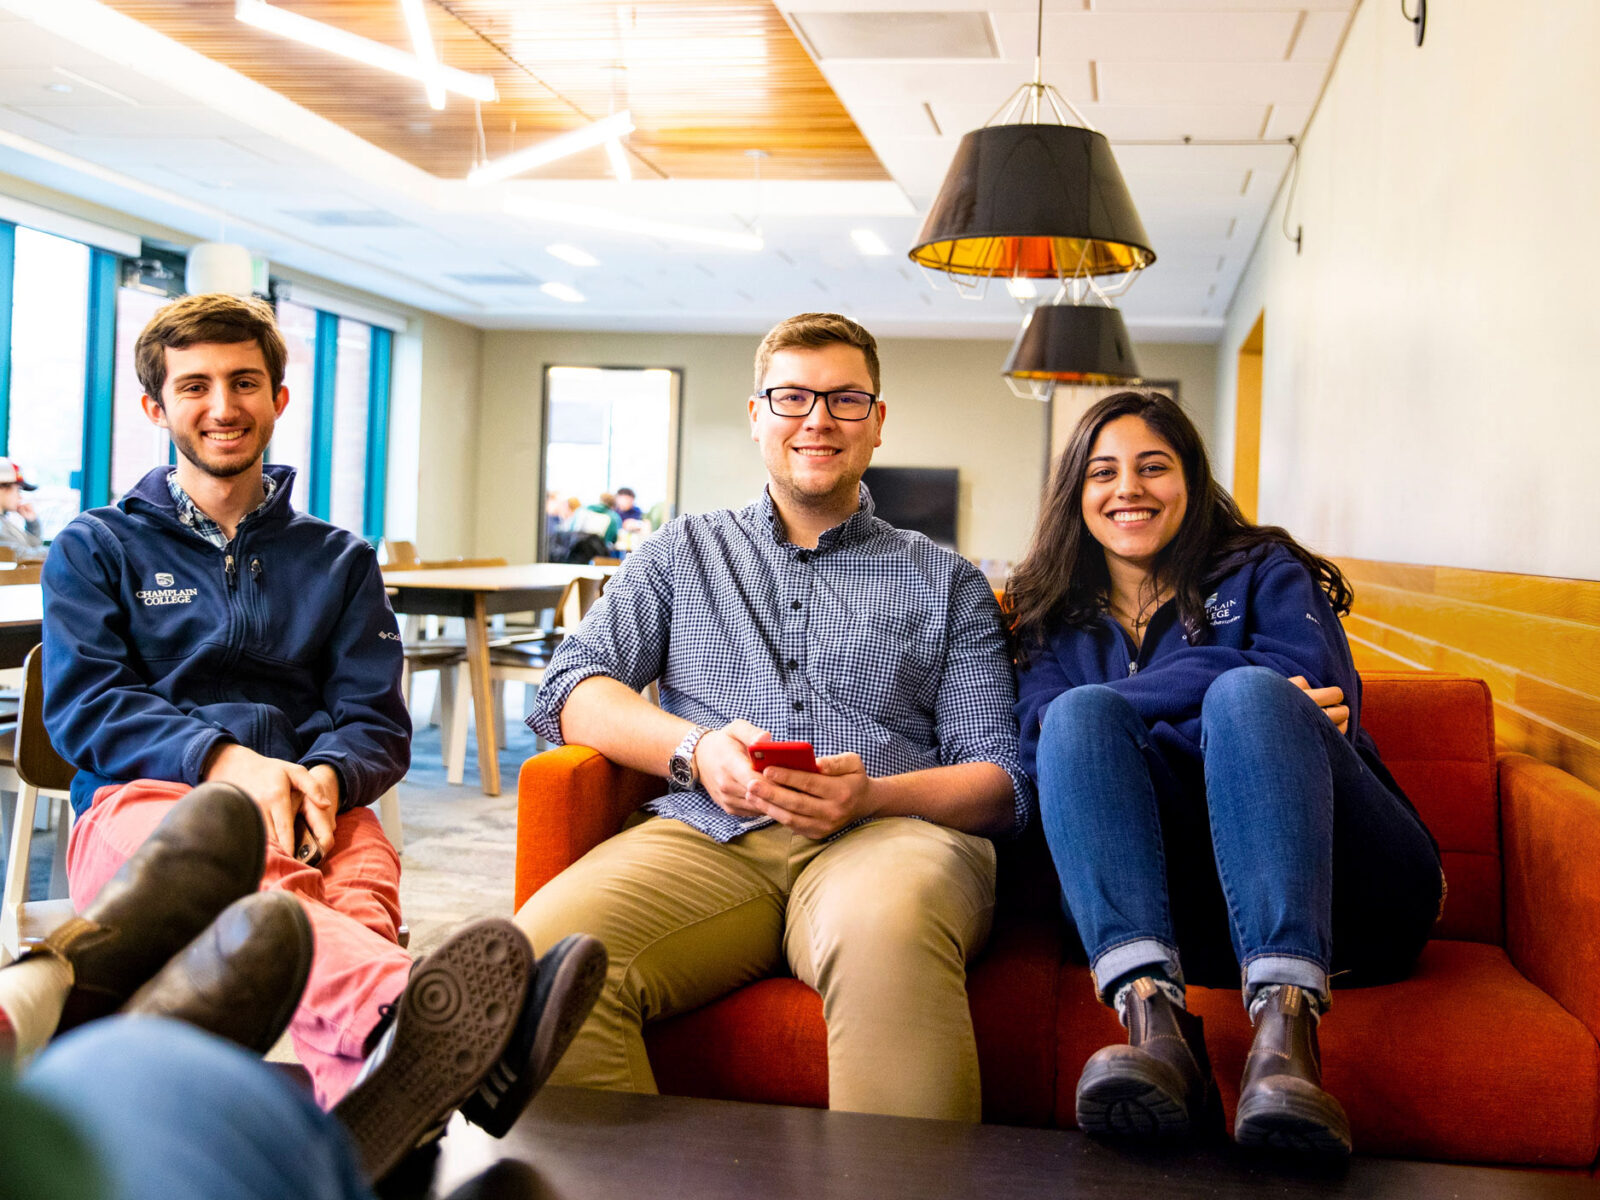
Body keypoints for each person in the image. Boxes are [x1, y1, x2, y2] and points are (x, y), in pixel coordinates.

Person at [38, 294, 607, 1155]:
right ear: (155, 407)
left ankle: (372, 1127)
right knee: (277, 901)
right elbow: (88, 706)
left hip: (319, 805)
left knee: (359, 892)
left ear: (278, 398)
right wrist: (229, 764)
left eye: (244, 382)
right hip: (149, 814)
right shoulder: (95, 547)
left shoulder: (340, 559)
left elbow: (375, 719)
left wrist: (329, 777)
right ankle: (411, 1007)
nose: (223, 406)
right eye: (194, 386)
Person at [515, 312, 1030, 1122]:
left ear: (877, 422)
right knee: (536, 966)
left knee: (887, 931)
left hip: (890, 837)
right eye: (791, 397)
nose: (817, 419)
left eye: (845, 399)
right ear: (757, 416)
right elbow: (569, 686)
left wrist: (870, 797)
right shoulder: (681, 553)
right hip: (709, 835)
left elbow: (1000, 780)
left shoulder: (948, 581)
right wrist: (694, 749)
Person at [1008, 391, 1443, 1156]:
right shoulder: (1048, 620)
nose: (1128, 488)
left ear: (1191, 477)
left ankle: (1289, 1040)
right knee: (1083, 720)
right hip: (1180, 921)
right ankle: (1157, 1031)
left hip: (1348, 892)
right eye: (1103, 472)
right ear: (1077, 494)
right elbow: (1045, 741)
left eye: (1153, 467)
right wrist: (1199, 702)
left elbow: (1306, 691)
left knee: (1246, 701)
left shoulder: (1265, 570)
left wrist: (1134, 729)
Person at [0, 456, 47, 562]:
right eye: (18, 490)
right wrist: (58, 551)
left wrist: (32, 522)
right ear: (1, 488)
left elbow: (33, 546)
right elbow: (22, 556)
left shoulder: (4, 522)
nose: (20, 497)